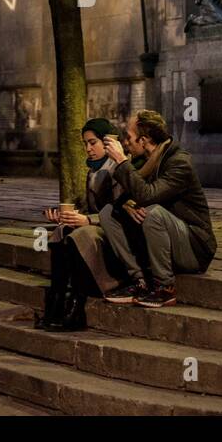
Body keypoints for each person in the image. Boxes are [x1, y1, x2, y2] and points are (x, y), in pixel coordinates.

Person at [99, 109, 216, 308]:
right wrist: (127, 205)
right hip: (163, 240)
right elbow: (125, 198)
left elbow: (147, 195)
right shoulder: (147, 163)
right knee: (108, 213)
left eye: (129, 137)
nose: (125, 142)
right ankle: (139, 281)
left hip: (194, 247)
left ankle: (165, 287)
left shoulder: (179, 162)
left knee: (153, 213)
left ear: (144, 140)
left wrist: (120, 160)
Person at [35, 117, 131, 331]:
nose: (88, 148)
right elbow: (91, 208)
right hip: (99, 225)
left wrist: (87, 220)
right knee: (62, 229)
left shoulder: (118, 168)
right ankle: (56, 305)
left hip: (117, 232)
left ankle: (75, 308)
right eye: (85, 144)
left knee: (78, 235)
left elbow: (120, 210)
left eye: (93, 142)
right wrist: (67, 216)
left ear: (107, 142)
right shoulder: (93, 170)